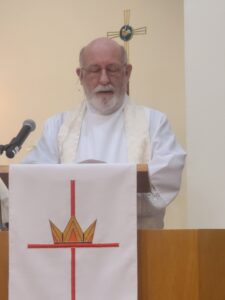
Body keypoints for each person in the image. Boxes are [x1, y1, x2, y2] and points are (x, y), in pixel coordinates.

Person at [22, 37, 186, 229]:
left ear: (127, 72)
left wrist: (101, 181)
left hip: (139, 245)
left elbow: (164, 181)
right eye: (94, 70)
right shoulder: (57, 127)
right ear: (80, 75)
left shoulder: (154, 123)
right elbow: (32, 179)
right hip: (73, 244)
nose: (104, 79)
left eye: (113, 69)